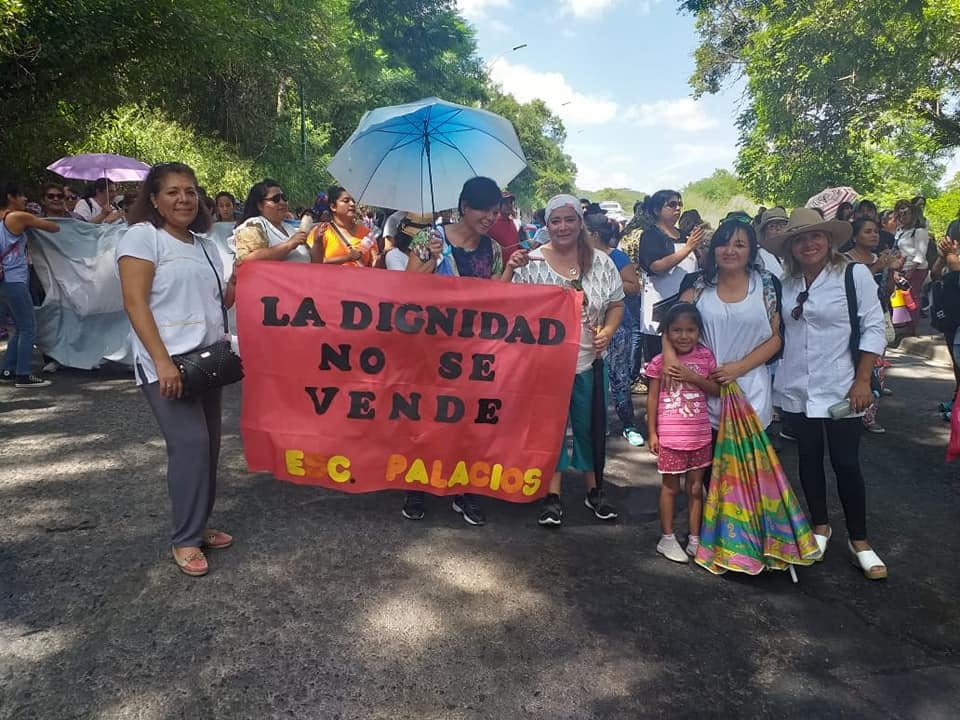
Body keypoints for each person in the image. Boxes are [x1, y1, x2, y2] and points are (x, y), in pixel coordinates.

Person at [117, 162, 236, 578]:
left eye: (189, 191)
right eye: (172, 192)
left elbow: (221, 301)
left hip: (207, 362)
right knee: (189, 445)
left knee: (209, 446)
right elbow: (135, 302)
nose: (183, 199)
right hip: (168, 363)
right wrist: (162, 362)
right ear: (154, 199)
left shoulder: (205, 245)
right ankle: (185, 538)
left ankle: (198, 525)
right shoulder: (142, 237)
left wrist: (243, 276)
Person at [403, 177, 528, 525]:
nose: (490, 217)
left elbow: (494, 297)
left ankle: (464, 487)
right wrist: (431, 259)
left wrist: (510, 268)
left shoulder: (492, 249)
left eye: (495, 210)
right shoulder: (429, 239)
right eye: (482, 209)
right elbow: (409, 290)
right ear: (464, 207)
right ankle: (416, 485)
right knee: (426, 415)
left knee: (469, 419)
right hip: (431, 346)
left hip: (474, 350)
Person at [772, 208, 888, 580]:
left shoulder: (853, 275)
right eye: (800, 239)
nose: (808, 244)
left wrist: (863, 380)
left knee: (846, 463)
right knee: (808, 458)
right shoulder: (786, 283)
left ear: (829, 239)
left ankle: (860, 541)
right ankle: (820, 527)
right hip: (797, 385)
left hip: (842, 386)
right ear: (790, 247)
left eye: (815, 236)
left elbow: (873, 328)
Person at [508, 194, 625, 527]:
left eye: (569, 219)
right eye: (555, 221)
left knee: (591, 426)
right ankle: (552, 494)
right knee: (550, 430)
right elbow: (507, 307)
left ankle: (594, 488)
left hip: (590, 360)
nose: (562, 227)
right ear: (546, 225)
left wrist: (608, 331)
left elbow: (616, 303)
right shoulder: (531, 263)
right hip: (545, 367)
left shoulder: (602, 262)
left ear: (580, 222)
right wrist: (509, 269)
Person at [672, 215, 782, 434]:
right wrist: (670, 362)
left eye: (739, 245)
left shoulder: (767, 285)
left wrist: (738, 369)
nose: (730, 250)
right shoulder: (697, 284)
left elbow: (776, 337)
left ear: (751, 251)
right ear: (714, 249)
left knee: (749, 456)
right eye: (723, 244)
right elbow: (672, 329)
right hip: (700, 391)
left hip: (752, 394)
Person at [645, 303, 719, 562]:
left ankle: (695, 538)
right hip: (671, 438)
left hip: (700, 436)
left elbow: (716, 390)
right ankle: (667, 538)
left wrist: (693, 377)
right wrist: (652, 432)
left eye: (690, 330)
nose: (684, 336)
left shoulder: (706, 357)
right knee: (670, 487)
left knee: (696, 488)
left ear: (699, 332)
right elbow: (652, 398)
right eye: (677, 330)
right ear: (667, 332)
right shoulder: (659, 362)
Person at [585, 211, 644, 446]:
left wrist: (607, 282)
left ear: (594, 234)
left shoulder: (616, 257)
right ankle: (598, 423)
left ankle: (628, 424)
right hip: (587, 325)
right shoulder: (577, 257)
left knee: (619, 375)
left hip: (616, 324)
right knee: (588, 377)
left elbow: (634, 287)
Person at [0, 180, 60, 387]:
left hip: (3, 281)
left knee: (18, 327)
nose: (25, 199)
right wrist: (34, 220)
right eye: (22, 195)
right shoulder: (17, 217)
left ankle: (8, 369)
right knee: (28, 327)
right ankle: (23, 375)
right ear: (11, 197)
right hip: (14, 280)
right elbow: (53, 227)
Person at [635, 190, 702, 369]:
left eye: (680, 204)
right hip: (660, 307)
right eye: (672, 205)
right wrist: (687, 249)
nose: (677, 208)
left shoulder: (684, 235)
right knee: (660, 362)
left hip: (687, 306)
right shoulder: (651, 236)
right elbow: (656, 266)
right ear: (657, 210)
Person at [233, 179, 309, 263]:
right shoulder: (253, 226)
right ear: (260, 205)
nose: (282, 202)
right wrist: (289, 245)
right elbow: (247, 260)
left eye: (284, 198)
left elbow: (310, 260)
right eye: (276, 199)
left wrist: (317, 242)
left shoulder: (289, 228)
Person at [307, 186, 375, 267]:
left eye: (353, 201)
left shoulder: (366, 233)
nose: (352, 204)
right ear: (333, 207)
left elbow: (374, 264)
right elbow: (313, 263)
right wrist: (347, 258)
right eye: (346, 201)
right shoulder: (321, 231)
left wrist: (383, 256)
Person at [894, 201, 930, 336]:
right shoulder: (900, 231)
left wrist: (911, 270)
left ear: (913, 214)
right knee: (903, 297)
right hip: (902, 267)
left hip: (917, 268)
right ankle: (905, 324)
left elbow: (921, 253)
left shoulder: (919, 231)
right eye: (900, 214)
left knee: (913, 296)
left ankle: (912, 327)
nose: (903, 216)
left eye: (906, 214)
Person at [488, 191, 523, 262]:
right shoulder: (491, 223)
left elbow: (515, 243)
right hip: (499, 267)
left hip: (516, 265)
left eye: (511, 203)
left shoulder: (512, 222)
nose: (510, 206)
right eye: (506, 203)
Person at [756, 206, 788, 271]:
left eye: (783, 225)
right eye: (772, 226)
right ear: (764, 232)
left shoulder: (794, 251)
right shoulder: (758, 255)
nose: (778, 229)